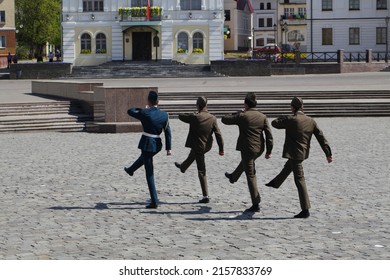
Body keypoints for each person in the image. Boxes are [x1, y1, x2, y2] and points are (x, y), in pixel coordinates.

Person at [265, 97, 333, 219]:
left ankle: (305, 209)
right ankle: (275, 182)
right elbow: (321, 137)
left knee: (299, 180)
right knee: (288, 166)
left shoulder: (291, 119)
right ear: (302, 107)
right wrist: (328, 153)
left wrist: (284, 116)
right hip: (303, 153)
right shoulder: (311, 120)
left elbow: (274, 123)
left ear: (292, 107)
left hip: (293, 153)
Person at [222, 93, 273, 213]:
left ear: (246, 105)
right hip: (259, 149)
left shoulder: (243, 116)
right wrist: (269, 150)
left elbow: (225, 119)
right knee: (246, 163)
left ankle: (256, 203)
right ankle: (233, 176)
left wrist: (237, 112)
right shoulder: (263, 116)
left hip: (247, 149)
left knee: (251, 175)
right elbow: (269, 135)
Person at [124, 91, 172, 209]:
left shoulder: (145, 113)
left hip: (147, 144)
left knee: (149, 173)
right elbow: (168, 132)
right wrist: (168, 148)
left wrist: (143, 109)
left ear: (149, 101)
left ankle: (154, 201)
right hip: (157, 145)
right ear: (158, 101)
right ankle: (131, 169)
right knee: (146, 158)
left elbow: (130, 111)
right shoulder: (164, 115)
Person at [174, 97, 224, 203]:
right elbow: (218, 134)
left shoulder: (194, 117)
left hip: (198, 146)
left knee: (201, 170)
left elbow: (180, 116)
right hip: (207, 145)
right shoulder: (212, 118)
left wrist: (193, 113)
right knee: (194, 153)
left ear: (197, 105)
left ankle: (205, 196)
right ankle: (183, 167)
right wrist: (221, 148)